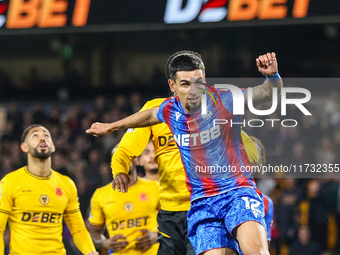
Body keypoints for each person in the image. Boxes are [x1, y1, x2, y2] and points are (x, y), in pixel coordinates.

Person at [87, 50, 282, 255]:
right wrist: (111, 126)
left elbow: (265, 93)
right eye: (185, 84)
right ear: (173, 86)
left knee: (255, 252)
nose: (193, 91)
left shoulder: (225, 99)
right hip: (202, 203)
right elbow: (149, 115)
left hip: (236, 193)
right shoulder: (170, 110)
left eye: (198, 83)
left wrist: (272, 77)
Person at [0, 124, 98, 255]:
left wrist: (90, 251)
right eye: (35, 135)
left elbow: (78, 228)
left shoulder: (66, 184)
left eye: (46, 135)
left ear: (52, 146)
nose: (42, 138)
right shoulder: (10, 182)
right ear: (24, 147)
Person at [88, 159, 159, 255]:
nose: (123, 159)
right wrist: (106, 243)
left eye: (127, 156)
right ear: (112, 164)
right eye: (118, 157)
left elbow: (173, 222)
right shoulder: (101, 195)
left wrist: (156, 236)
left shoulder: (155, 187)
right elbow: (94, 234)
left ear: (137, 161)